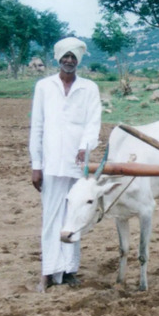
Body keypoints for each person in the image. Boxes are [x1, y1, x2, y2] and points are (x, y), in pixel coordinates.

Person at [29, 37, 101, 293]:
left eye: (73, 57)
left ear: (78, 60)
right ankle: (48, 271)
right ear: (58, 58)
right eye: (65, 57)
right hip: (50, 163)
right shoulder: (44, 87)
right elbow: (37, 126)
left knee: (74, 216)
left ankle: (70, 269)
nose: (69, 61)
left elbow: (93, 123)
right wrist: (36, 164)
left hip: (77, 164)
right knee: (51, 218)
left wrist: (85, 146)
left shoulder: (89, 88)